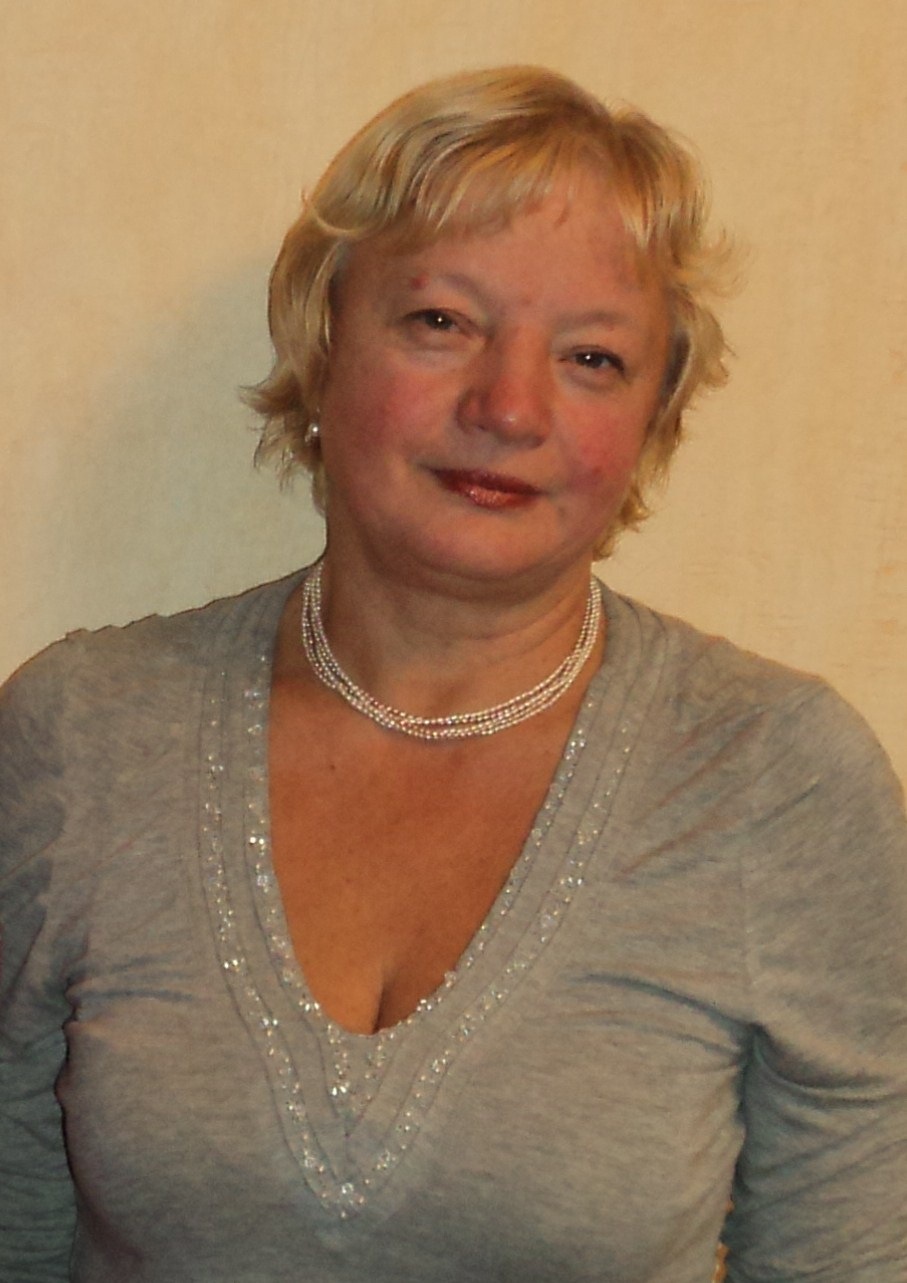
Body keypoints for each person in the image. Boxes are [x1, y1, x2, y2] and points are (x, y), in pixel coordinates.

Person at [1, 66, 905, 1283]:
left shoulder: (773, 779)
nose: (509, 406)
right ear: (324, 342)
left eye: (591, 357)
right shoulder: (83, 732)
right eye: (442, 322)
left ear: (652, 418)